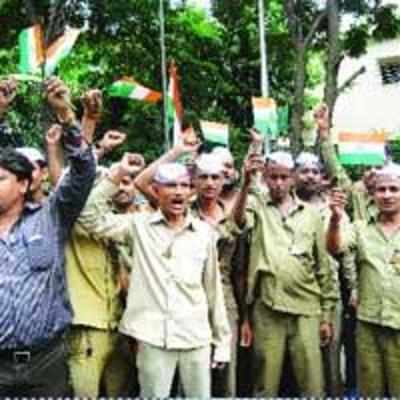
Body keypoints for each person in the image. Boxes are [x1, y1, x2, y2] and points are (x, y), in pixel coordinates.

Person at [79, 156, 231, 398]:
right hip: (152, 338)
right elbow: (88, 217)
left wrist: (222, 342)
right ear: (156, 191)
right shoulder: (138, 226)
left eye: (184, 185)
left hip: (196, 337)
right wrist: (118, 173)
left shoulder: (204, 233)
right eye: (171, 186)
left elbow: (213, 290)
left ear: (191, 191)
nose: (178, 192)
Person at [0, 98, 95, 396]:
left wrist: (68, 116)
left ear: (24, 185)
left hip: (47, 362)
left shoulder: (52, 216)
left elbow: (83, 171)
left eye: (0, 178)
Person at [234, 151, 337, 397]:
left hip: (306, 308)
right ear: (266, 179)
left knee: (312, 381)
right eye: (273, 177)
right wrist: (247, 182)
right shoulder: (257, 208)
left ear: (293, 178)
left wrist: (326, 315)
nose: (278, 183)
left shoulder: (311, 214)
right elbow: (237, 221)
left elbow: (323, 266)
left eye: (283, 177)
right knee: (265, 381)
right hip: (267, 308)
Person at [327, 164, 400, 397]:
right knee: (371, 390)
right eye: (381, 190)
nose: (387, 195)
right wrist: (336, 220)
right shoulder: (360, 228)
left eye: (393, 189)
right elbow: (335, 247)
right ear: (372, 194)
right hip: (369, 323)